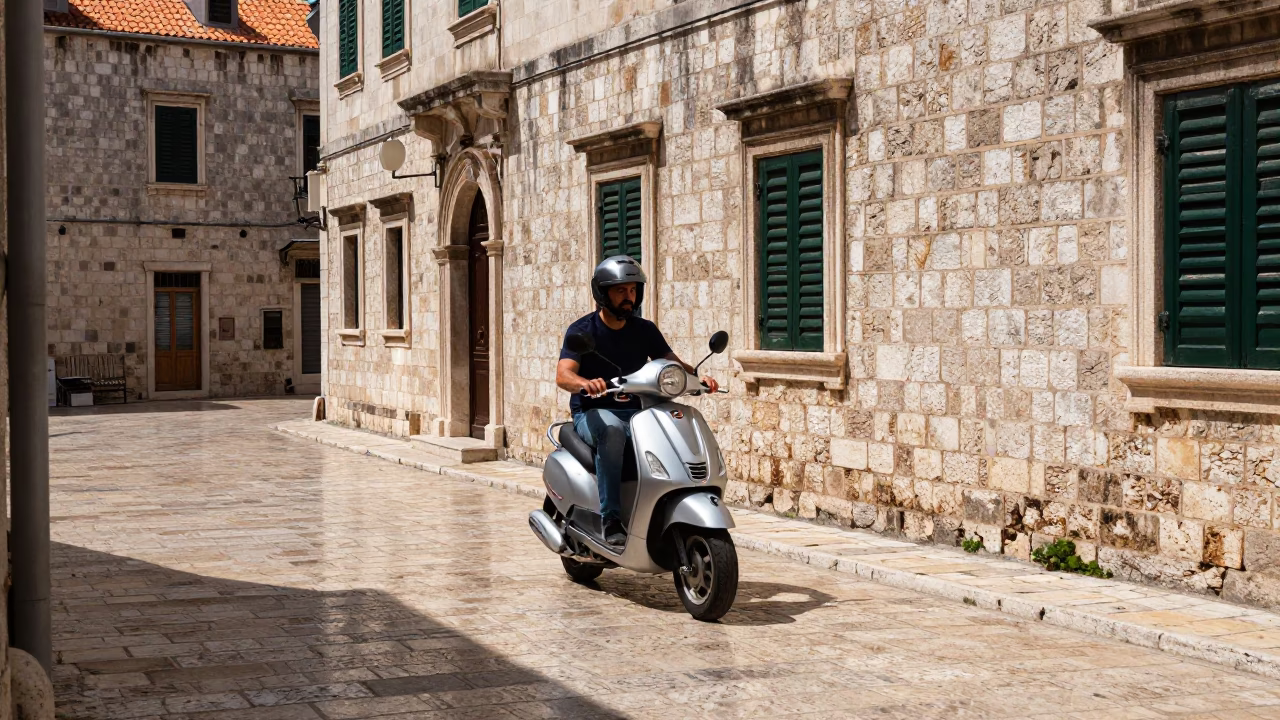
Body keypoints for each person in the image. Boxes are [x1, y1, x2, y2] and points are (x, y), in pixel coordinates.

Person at [556, 256, 719, 548]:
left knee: (674, 425)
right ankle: (611, 520)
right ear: (602, 293)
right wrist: (585, 384)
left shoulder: (644, 330)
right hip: (594, 411)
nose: (628, 297)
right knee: (612, 432)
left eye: (632, 290)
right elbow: (563, 374)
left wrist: (698, 378)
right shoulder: (582, 331)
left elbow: (671, 363)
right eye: (620, 290)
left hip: (638, 411)